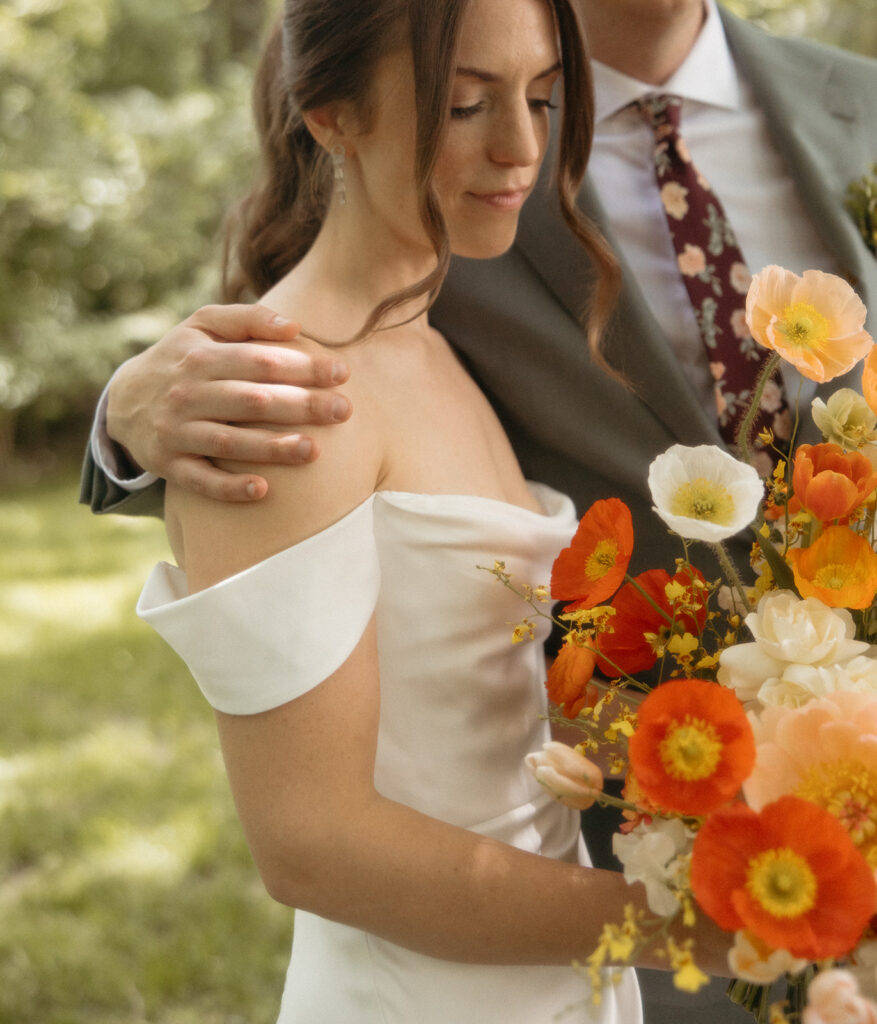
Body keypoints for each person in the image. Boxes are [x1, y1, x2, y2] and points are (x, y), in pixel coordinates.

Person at [80, 1, 877, 1021]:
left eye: (545, 100)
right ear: (327, 113)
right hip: (526, 932)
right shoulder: (303, 381)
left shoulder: (433, 337)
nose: (522, 147)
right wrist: (693, 927)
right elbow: (313, 839)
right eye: (466, 105)